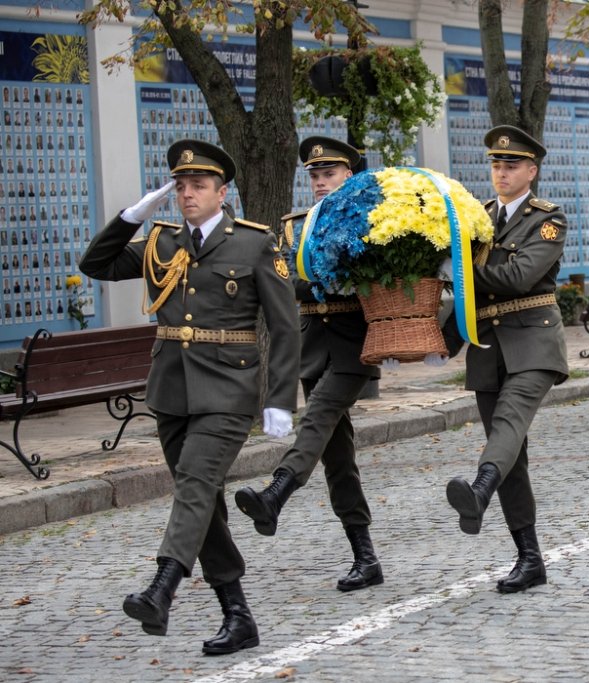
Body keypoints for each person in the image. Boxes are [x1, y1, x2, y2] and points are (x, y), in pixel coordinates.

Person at [78, 139, 300, 654]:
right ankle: (238, 616)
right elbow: (97, 264)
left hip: (228, 388)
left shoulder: (254, 243)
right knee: (205, 504)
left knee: (194, 486)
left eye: (198, 186)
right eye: (180, 187)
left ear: (222, 193)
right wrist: (132, 216)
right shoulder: (162, 241)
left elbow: (286, 328)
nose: (187, 194)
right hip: (172, 388)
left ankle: (163, 587)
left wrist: (280, 397)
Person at [234, 136, 386, 593]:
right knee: (338, 458)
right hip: (312, 344)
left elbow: (370, 280)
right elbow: (284, 286)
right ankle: (365, 557)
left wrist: (312, 278)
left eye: (330, 174)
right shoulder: (292, 226)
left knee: (317, 416)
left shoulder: (370, 221)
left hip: (355, 343)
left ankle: (277, 491)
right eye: (315, 176)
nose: (321, 183)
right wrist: (321, 279)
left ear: (349, 177)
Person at [444, 125, 568, 593]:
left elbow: (519, 276)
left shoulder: (547, 218)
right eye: (496, 165)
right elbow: (459, 291)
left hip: (534, 342)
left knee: (508, 426)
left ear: (531, 170)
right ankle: (529, 558)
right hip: (488, 349)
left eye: (511, 165)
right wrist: (441, 337)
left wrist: (463, 264)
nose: (501, 172)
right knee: (512, 456)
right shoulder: (476, 218)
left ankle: (478, 490)